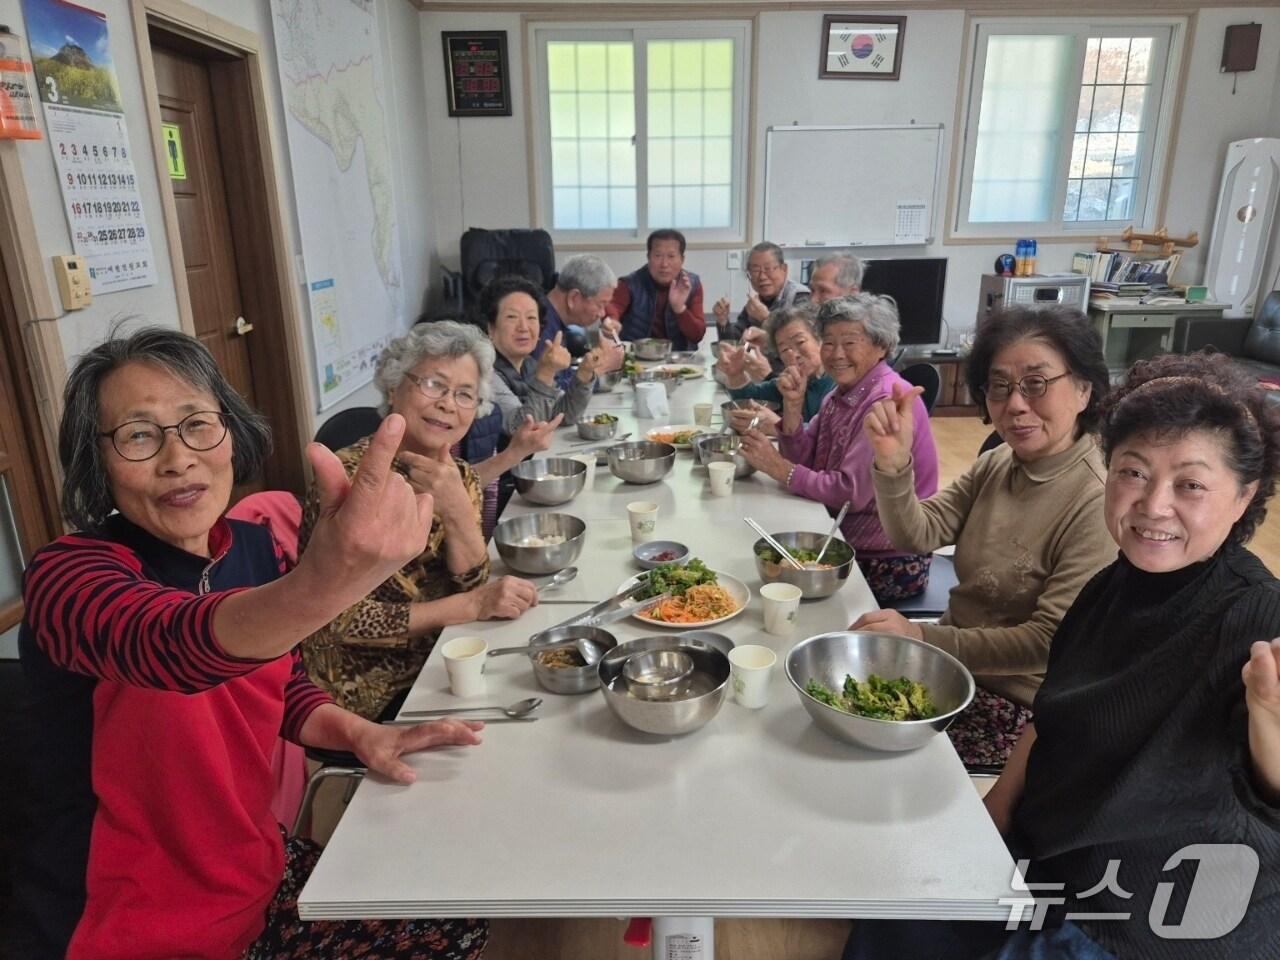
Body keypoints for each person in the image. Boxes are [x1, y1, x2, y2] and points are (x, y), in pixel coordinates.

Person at [8, 326, 487, 959]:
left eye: (197, 424)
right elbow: (170, 645)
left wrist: (357, 732)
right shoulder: (70, 576)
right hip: (128, 926)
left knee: (456, 924)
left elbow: (277, 681)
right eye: (139, 436)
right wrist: (323, 584)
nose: (178, 459)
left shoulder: (250, 548)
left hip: (252, 876)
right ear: (97, 461)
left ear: (230, 431)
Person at [846, 351, 1280, 960]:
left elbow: (1268, 797)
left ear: (1244, 497)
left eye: (1190, 484)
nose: (1154, 505)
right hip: (1054, 854)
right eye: (1133, 472)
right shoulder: (1111, 585)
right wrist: (989, 819)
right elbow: (1054, 714)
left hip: (1146, 912)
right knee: (890, 917)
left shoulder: (1257, 616)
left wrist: (1268, 720)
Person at [852, 305, 1114, 769]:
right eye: (1000, 386)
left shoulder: (1095, 500)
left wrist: (921, 637)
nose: (1015, 404)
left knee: (869, 760)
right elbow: (919, 532)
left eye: (1036, 383)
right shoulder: (1000, 462)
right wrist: (893, 464)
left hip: (1016, 705)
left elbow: (1046, 641)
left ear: (1083, 389)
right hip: (950, 665)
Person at [298, 321, 539, 720]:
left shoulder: (458, 474)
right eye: (433, 384)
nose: (448, 403)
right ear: (394, 388)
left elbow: (473, 583)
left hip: (446, 654)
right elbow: (340, 620)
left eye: (465, 394)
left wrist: (459, 511)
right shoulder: (348, 481)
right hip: (366, 688)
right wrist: (468, 607)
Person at [738, 294, 939, 604]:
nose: (836, 354)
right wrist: (792, 408)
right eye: (828, 342)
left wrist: (777, 467)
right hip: (838, 534)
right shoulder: (841, 393)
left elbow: (849, 493)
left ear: (881, 345)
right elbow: (805, 459)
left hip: (886, 559)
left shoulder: (883, 400)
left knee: (763, 587)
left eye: (850, 343)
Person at [481, 275, 600, 431]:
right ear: (491, 328)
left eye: (531, 317)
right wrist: (545, 374)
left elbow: (564, 415)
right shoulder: (486, 373)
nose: (524, 327)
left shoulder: (529, 364)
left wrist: (584, 376)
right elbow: (522, 429)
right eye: (512, 317)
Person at [717, 303, 834, 435]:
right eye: (784, 349)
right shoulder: (791, 381)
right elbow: (750, 400)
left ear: (820, 339)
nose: (793, 354)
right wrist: (736, 375)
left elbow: (830, 435)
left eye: (800, 342)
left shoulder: (839, 384)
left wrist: (778, 426)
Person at [607, 228, 706, 348]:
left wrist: (680, 309)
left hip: (678, 360)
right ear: (648, 257)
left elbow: (697, 335)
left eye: (671, 256)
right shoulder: (629, 283)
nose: (664, 264)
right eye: (658, 255)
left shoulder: (692, 284)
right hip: (638, 358)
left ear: (682, 259)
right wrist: (611, 321)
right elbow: (612, 307)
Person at [537, 254, 624, 387]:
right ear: (574, 298)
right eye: (600, 305)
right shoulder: (540, 328)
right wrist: (601, 368)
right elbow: (553, 395)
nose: (602, 314)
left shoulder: (553, 319)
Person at [713, 241, 809, 342]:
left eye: (768, 269)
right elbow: (733, 345)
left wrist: (767, 319)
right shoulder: (755, 304)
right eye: (755, 270)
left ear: (784, 269)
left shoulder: (800, 297)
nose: (762, 277)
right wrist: (723, 322)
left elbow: (799, 344)